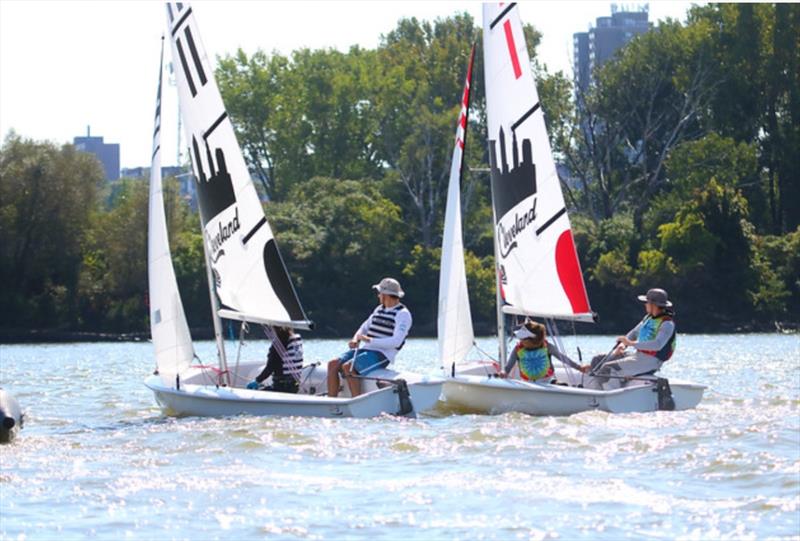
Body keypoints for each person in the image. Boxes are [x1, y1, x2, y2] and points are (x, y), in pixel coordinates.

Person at [327, 277, 412, 397]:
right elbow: (364, 327)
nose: (378, 296)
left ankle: (356, 400)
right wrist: (355, 339)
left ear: (386, 295)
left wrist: (369, 340)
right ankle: (332, 401)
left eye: (379, 293)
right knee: (333, 364)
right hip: (367, 349)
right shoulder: (379, 309)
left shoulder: (403, 314)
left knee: (348, 367)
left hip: (383, 354)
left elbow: (396, 342)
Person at [583, 288, 677, 390]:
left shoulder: (667, 324)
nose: (645, 305)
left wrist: (631, 343)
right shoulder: (648, 318)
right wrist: (623, 345)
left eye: (646, 302)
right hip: (638, 355)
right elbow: (633, 333)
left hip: (651, 361)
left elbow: (657, 345)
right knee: (598, 360)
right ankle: (592, 388)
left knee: (608, 368)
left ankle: (609, 394)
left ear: (653, 305)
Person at [500, 320, 583, 382]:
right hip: (527, 383)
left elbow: (563, 358)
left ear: (533, 340)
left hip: (547, 381)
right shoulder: (517, 349)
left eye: (523, 338)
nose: (520, 340)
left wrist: (579, 367)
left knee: (555, 383)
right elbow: (508, 366)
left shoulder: (547, 347)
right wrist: (504, 372)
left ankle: (556, 383)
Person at [246, 326, 303, 393]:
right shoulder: (296, 339)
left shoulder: (280, 343)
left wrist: (257, 381)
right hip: (294, 386)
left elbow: (270, 367)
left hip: (282, 388)